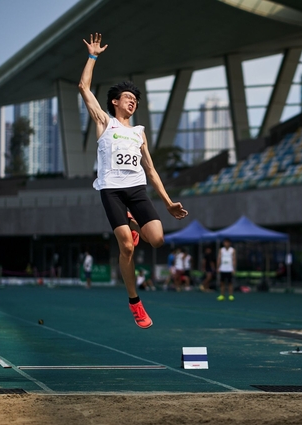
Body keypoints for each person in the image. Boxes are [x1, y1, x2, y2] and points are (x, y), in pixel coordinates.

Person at [79, 33, 188, 328]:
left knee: (158, 239)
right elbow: (83, 87)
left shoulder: (139, 132)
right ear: (115, 102)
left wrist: (167, 204)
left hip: (137, 189)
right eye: (128, 97)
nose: (133, 101)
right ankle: (135, 302)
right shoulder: (105, 121)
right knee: (126, 246)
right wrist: (93, 56)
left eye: (136, 99)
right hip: (111, 191)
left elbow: (151, 171)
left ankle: (135, 222)